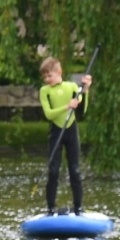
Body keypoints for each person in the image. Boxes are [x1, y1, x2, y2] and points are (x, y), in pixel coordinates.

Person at [37, 55, 93, 216]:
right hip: (56, 132)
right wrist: (67, 106)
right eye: (45, 76)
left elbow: (83, 110)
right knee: (53, 170)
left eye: (50, 75)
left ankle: (78, 207)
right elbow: (49, 114)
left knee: (75, 170)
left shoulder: (72, 87)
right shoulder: (45, 91)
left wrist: (86, 90)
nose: (47, 79)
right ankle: (50, 208)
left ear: (59, 72)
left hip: (71, 130)